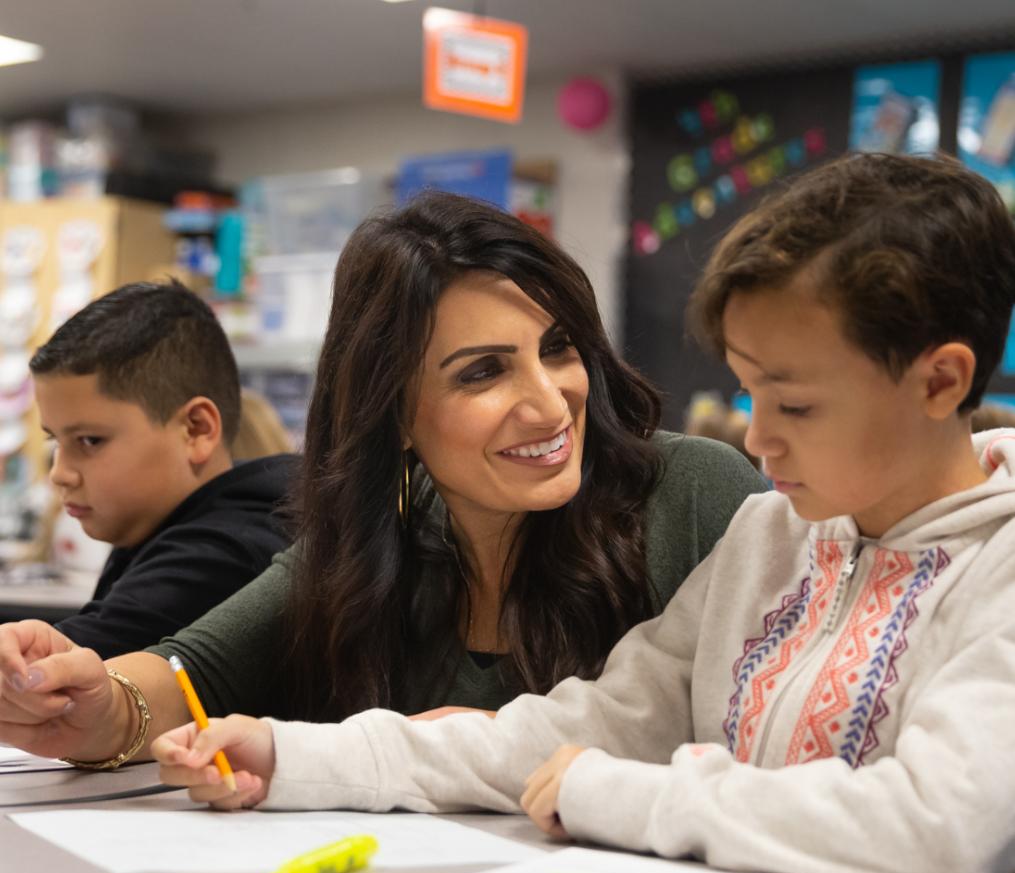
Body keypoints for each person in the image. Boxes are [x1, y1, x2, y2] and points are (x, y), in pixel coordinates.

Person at [154, 154, 1015, 873]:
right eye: (750, 393)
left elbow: (941, 824)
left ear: (939, 383)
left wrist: (622, 795)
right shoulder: (770, 538)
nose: (756, 436)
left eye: (793, 402)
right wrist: (292, 757)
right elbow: (584, 724)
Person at [0, 192, 764, 768]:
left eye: (559, 349)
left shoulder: (692, 492)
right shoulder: (388, 523)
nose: (550, 402)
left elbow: (769, 757)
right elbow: (191, 670)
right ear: (393, 412)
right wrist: (101, 705)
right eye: (484, 372)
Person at [25, 280, 295, 663]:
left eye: (89, 441)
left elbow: (50, 674)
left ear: (196, 430)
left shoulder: (223, 554)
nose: (60, 474)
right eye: (55, 441)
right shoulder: (152, 528)